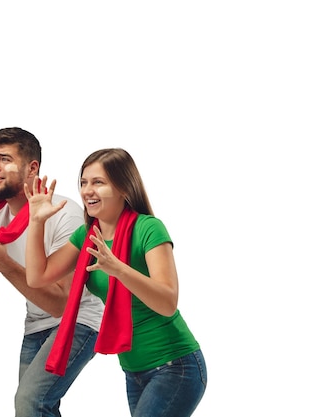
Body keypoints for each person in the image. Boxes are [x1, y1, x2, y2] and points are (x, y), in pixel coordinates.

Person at [24, 148, 207, 417]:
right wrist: (36, 221)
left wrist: (119, 269)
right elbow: (37, 277)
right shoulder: (87, 235)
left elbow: (168, 302)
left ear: (124, 188)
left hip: (175, 365)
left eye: (98, 182)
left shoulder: (149, 229)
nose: (88, 191)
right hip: (134, 370)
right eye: (84, 183)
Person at [0, 127, 104, 417]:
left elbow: (60, 303)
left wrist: (3, 262)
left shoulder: (64, 212)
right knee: (32, 408)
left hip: (79, 319)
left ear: (32, 168)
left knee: (30, 402)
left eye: (4, 159)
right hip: (36, 324)